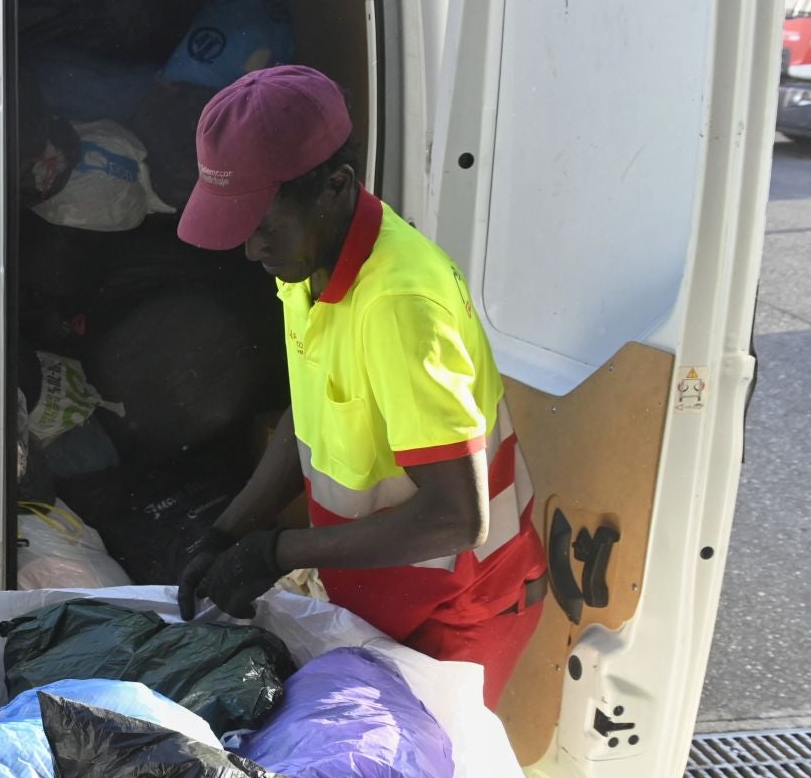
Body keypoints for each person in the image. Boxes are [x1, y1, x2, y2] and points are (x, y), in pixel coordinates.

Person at [174, 66, 546, 707]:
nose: (249, 249)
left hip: (458, 615)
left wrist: (275, 552)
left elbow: (457, 519)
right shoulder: (303, 264)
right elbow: (313, 413)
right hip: (385, 600)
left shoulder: (400, 304)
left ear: (335, 187)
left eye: (264, 224)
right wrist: (229, 530)